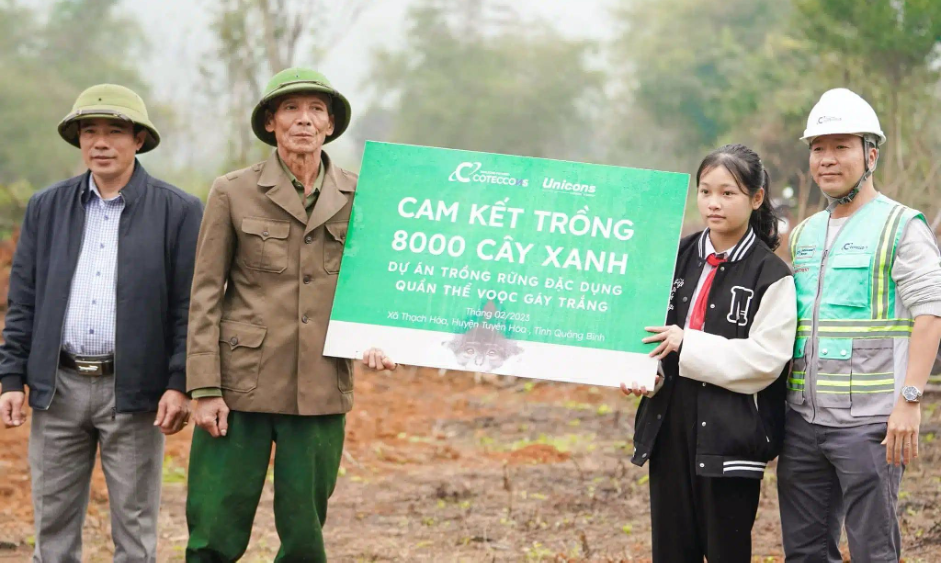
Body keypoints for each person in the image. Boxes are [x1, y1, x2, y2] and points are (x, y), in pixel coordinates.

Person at [184, 68, 395, 563]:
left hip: (321, 383)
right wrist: (205, 388)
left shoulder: (362, 195)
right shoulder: (233, 191)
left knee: (305, 532)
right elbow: (206, 293)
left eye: (316, 110)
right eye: (291, 109)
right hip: (241, 385)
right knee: (214, 526)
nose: (304, 120)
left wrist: (380, 337)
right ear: (270, 122)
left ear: (330, 125)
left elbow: (378, 284)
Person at [0, 84, 203, 562]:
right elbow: (23, 299)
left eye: (115, 131)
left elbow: (189, 307)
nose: (101, 143)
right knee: (52, 529)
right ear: (78, 140)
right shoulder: (47, 207)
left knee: (134, 529)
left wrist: (179, 382)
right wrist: (10, 378)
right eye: (89, 131)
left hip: (133, 392)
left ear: (139, 139)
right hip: (58, 388)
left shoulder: (178, 210)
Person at [777, 88, 941, 563]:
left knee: (874, 551)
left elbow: (931, 314)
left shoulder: (901, 227)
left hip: (871, 426)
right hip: (802, 422)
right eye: (818, 148)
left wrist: (909, 401)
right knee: (804, 552)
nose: (827, 159)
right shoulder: (804, 234)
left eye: (841, 146)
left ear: (871, 155)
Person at [625, 144, 797, 562]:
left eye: (727, 193)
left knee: (726, 551)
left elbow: (766, 361)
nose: (713, 203)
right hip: (668, 426)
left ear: (756, 198)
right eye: (705, 191)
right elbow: (649, 334)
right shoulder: (673, 258)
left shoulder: (772, 275)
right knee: (671, 550)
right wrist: (648, 375)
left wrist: (689, 343)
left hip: (732, 437)